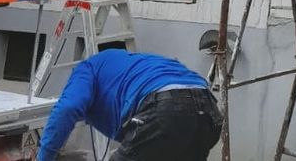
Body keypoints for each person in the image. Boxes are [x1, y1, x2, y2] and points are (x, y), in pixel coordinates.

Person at [34, 49, 221, 161]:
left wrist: (44, 158)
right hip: (209, 111)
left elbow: (67, 108)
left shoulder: (87, 68)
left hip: (164, 106)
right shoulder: (134, 65)